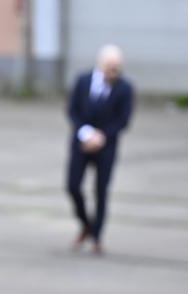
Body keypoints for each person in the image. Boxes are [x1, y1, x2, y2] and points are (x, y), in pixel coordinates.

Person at [66, 44, 134, 255]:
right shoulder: (83, 81)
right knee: (73, 186)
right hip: (81, 143)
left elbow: (123, 120)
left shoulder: (125, 88)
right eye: (110, 66)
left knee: (101, 191)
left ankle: (97, 236)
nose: (114, 71)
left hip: (106, 146)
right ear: (100, 63)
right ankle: (86, 223)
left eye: (118, 67)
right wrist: (86, 133)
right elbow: (72, 110)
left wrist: (102, 137)